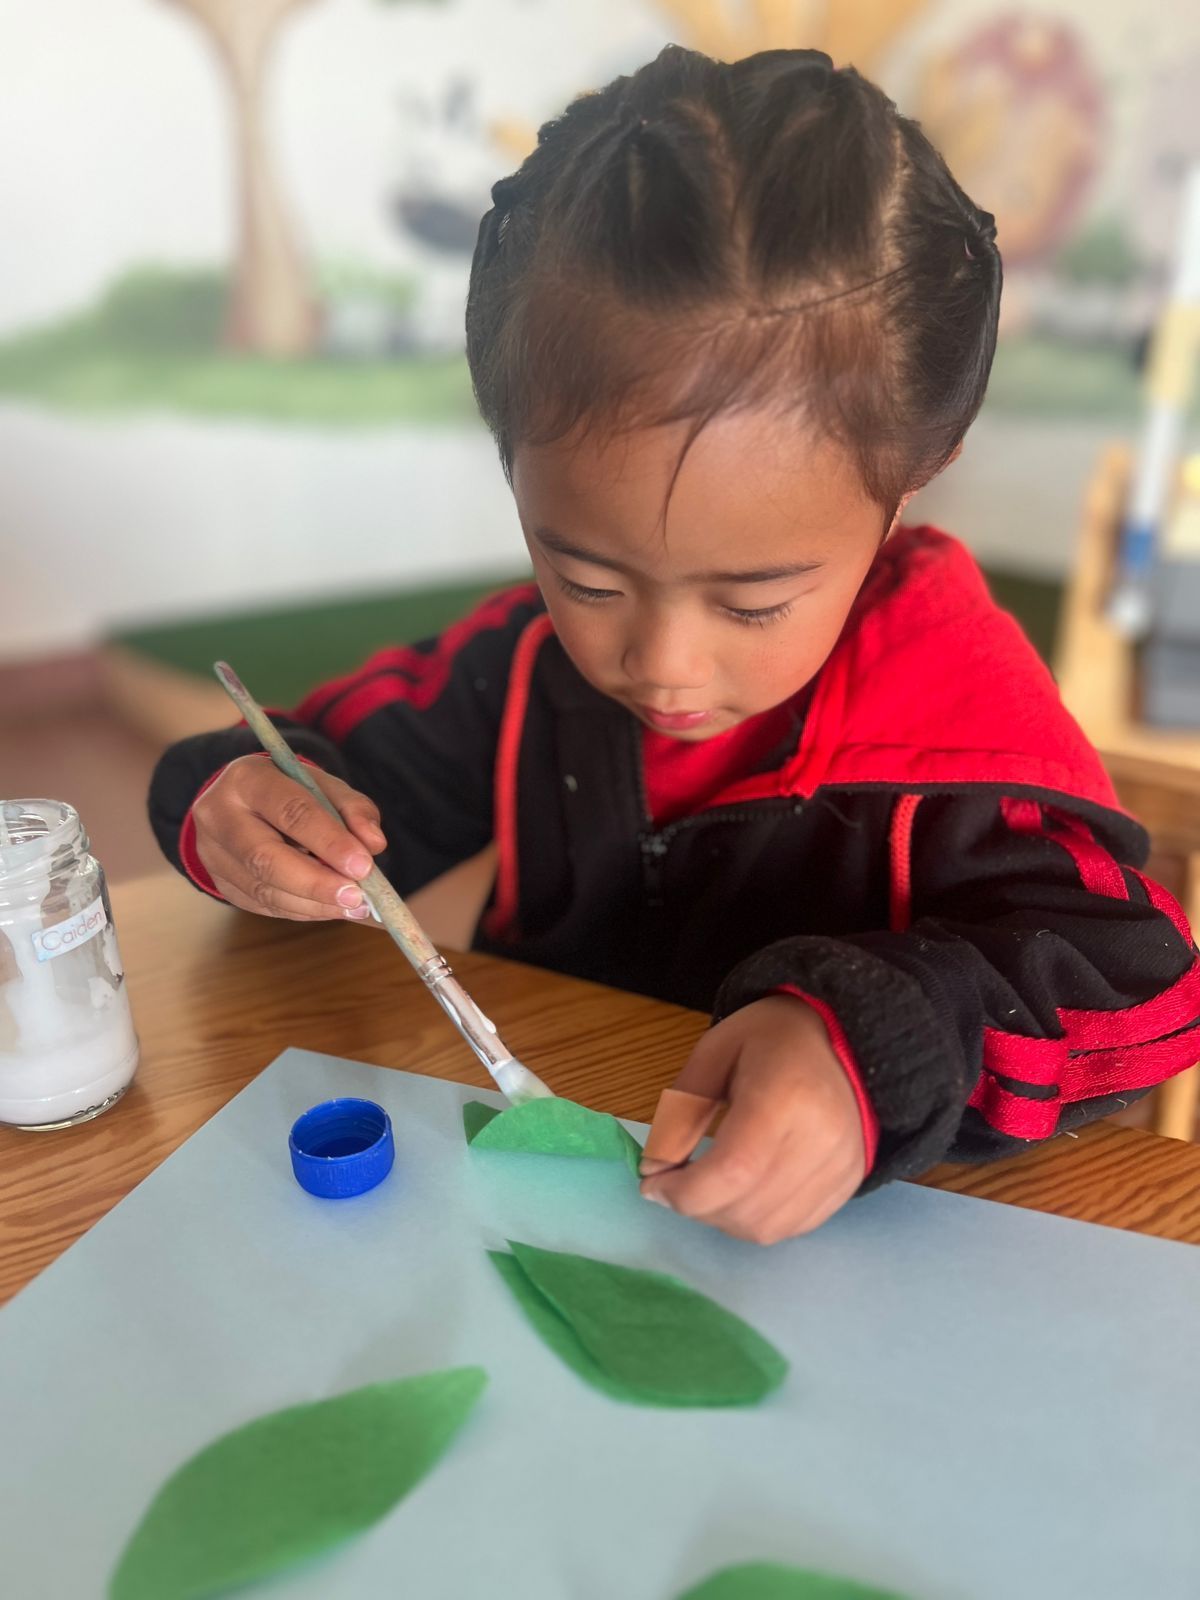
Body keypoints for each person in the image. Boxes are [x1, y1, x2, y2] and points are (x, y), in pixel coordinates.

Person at [149, 47, 1200, 1244]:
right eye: (586, 574)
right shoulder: (520, 664)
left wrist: (884, 1049)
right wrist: (229, 802)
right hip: (567, 1214)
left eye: (752, 602)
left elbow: (1148, 995)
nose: (661, 663)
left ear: (909, 488)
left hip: (867, 1271)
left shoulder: (958, 722)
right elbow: (307, 762)